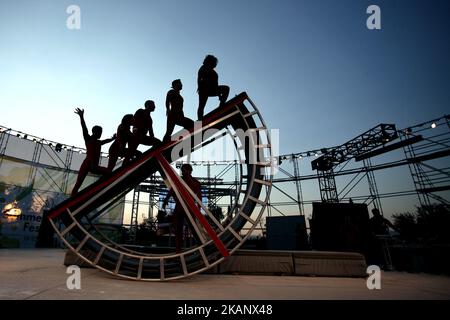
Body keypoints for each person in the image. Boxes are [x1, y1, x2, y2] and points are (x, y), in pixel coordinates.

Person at [71, 108, 115, 196]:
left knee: (108, 172)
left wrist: (112, 139)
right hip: (88, 164)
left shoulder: (98, 142)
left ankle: (96, 187)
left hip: (92, 165)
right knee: (78, 183)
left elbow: (105, 141)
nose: (101, 134)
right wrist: (81, 116)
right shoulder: (88, 138)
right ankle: (71, 201)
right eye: (100, 132)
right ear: (95, 132)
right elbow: (84, 127)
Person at [162, 164, 202, 253]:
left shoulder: (194, 182)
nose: (183, 172)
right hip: (182, 208)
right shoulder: (183, 181)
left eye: (184, 170)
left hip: (185, 208)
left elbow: (199, 197)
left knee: (193, 229)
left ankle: (199, 246)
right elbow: (172, 190)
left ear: (189, 171)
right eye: (182, 170)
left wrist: (198, 209)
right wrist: (166, 200)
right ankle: (178, 250)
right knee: (179, 230)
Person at [124, 100, 161, 164]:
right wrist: (136, 133)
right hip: (136, 136)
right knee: (130, 154)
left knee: (158, 142)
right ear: (148, 105)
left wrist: (152, 139)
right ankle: (124, 167)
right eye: (153, 105)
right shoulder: (140, 111)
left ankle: (151, 158)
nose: (155, 106)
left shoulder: (150, 119)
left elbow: (151, 131)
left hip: (143, 137)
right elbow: (134, 122)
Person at [197, 54, 230, 120]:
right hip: (204, 89)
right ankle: (200, 121)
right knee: (201, 106)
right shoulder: (203, 68)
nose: (215, 65)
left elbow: (215, 85)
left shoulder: (213, 72)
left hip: (210, 89)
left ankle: (221, 107)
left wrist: (220, 96)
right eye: (214, 63)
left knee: (226, 89)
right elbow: (200, 79)